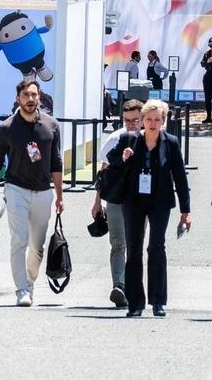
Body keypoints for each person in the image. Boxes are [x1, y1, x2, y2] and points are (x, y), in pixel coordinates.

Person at [0, 79, 65, 307]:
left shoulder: (51, 125)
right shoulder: (7, 127)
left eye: (34, 95)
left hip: (43, 191)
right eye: (26, 95)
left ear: (39, 97)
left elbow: (56, 162)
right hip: (16, 189)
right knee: (19, 240)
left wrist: (60, 196)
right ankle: (21, 290)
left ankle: (30, 282)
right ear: (18, 98)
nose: (30, 99)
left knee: (37, 246)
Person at [107, 99, 191, 317]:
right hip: (133, 201)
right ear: (142, 120)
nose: (153, 123)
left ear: (163, 121)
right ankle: (135, 303)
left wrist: (185, 211)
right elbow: (110, 160)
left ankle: (158, 301)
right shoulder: (129, 139)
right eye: (149, 119)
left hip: (160, 202)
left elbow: (180, 177)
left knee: (156, 247)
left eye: (158, 119)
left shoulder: (170, 142)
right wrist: (122, 156)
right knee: (133, 250)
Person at [93, 99, 143, 308]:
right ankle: (119, 286)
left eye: (135, 120)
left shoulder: (148, 138)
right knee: (118, 243)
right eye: (127, 120)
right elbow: (103, 173)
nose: (131, 124)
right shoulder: (115, 138)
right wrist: (97, 201)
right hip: (115, 198)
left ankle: (133, 287)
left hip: (140, 200)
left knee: (136, 245)